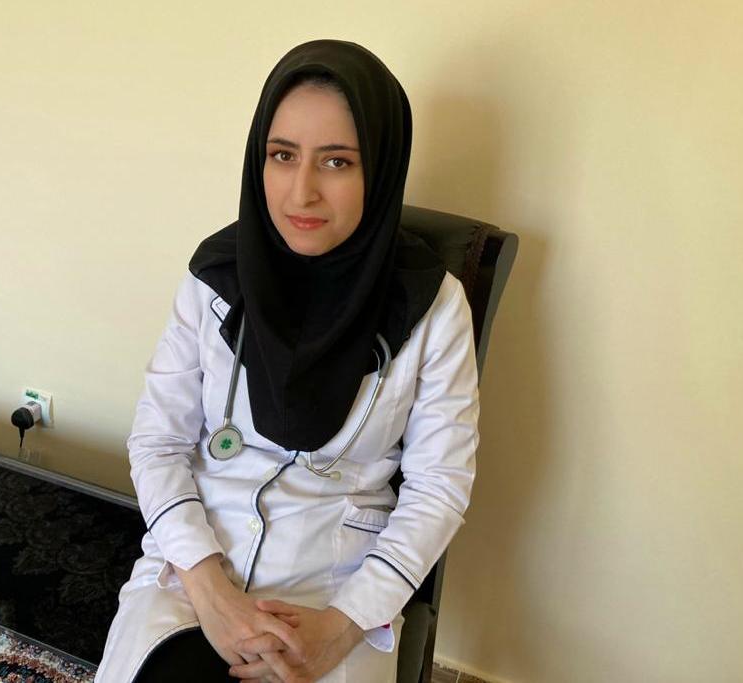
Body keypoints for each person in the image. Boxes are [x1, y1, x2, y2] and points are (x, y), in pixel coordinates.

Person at [95, 39, 480, 683]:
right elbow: (157, 443)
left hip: (335, 590)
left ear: (381, 170)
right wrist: (212, 596)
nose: (302, 192)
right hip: (196, 568)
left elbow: (438, 488)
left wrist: (342, 626)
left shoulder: (432, 305)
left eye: (337, 161)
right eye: (282, 155)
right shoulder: (215, 277)